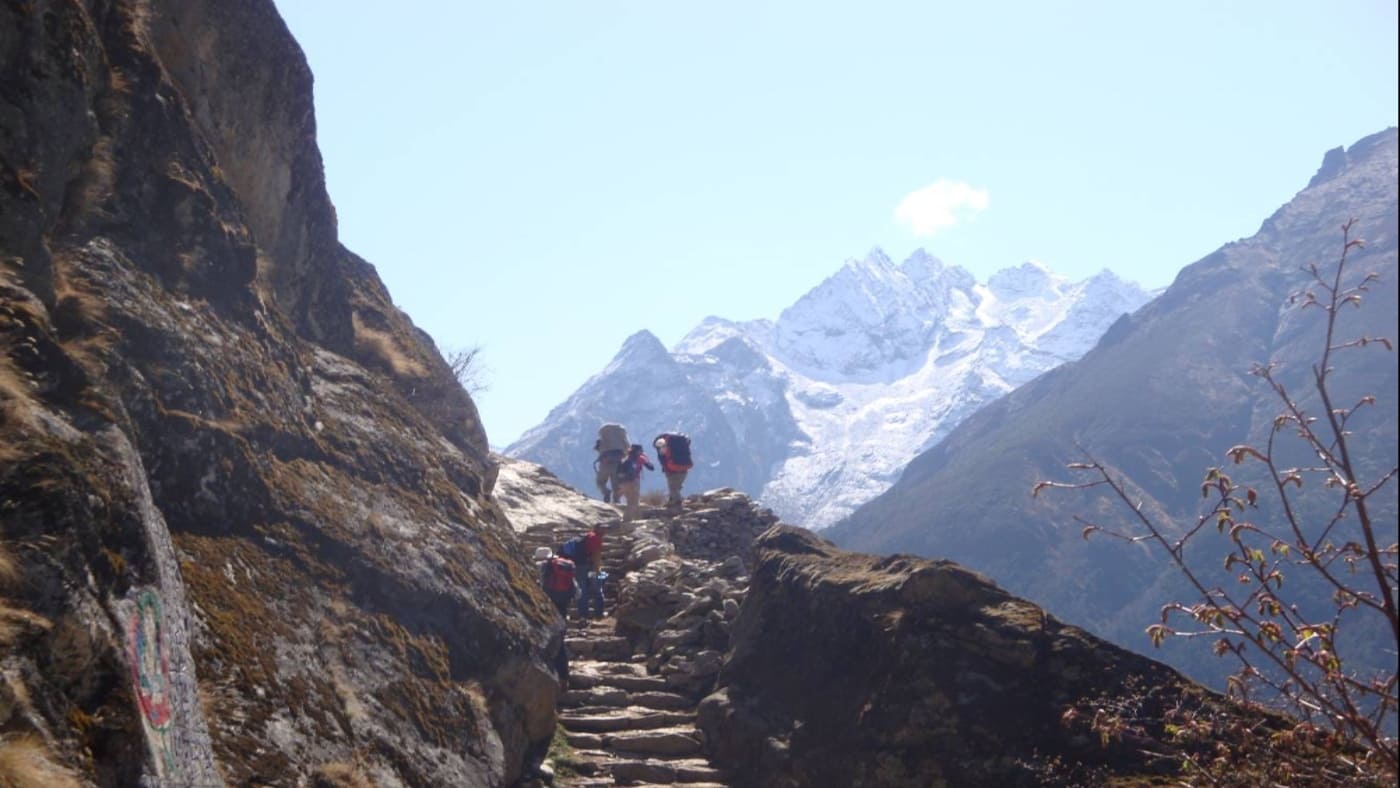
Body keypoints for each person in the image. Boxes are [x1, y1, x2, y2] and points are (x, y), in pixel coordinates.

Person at [612, 443, 654, 523]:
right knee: (633, 502)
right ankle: (626, 521)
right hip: (633, 482)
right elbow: (651, 467)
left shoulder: (625, 458)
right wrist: (646, 458)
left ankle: (636, 517)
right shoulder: (640, 458)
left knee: (631, 501)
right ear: (638, 451)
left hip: (623, 482)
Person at [574, 524, 607, 621]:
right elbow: (596, 554)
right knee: (598, 590)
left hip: (579, 567)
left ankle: (583, 615)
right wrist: (597, 570)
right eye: (603, 528)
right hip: (590, 568)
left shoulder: (587, 537)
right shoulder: (596, 538)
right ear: (598, 529)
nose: (605, 531)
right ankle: (598, 614)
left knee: (582, 592)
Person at [653, 433, 693, 510]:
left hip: (672, 471)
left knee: (673, 487)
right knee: (676, 486)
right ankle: (672, 500)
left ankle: (678, 504)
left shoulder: (663, 447)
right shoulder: (678, 447)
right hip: (684, 470)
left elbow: (663, 459)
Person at [534, 546, 576, 617]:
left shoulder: (543, 565)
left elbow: (542, 580)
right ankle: (563, 623)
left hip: (551, 592)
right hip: (565, 591)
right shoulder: (562, 564)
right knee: (563, 609)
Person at [594, 423, 630, 503]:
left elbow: (598, 449)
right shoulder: (622, 441)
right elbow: (628, 449)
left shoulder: (602, 440)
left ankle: (606, 491)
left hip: (605, 463)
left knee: (600, 481)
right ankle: (617, 501)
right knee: (616, 485)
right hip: (618, 464)